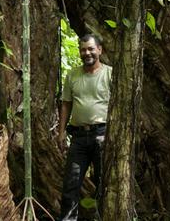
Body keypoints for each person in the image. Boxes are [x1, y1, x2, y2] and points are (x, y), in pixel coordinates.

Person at [57, 33, 112, 220]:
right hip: (79, 137)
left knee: (104, 184)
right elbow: (66, 103)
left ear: (99, 50)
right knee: (71, 184)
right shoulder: (72, 75)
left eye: (90, 49)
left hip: (102, 135)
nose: (86, 53)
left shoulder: (109, 73)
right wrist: (62, 132)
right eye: (83, 49)